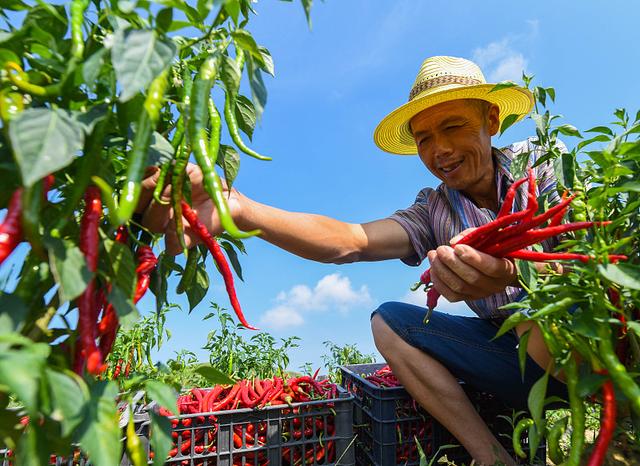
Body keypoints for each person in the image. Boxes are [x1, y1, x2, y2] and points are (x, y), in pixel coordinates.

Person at [137, 56, 568, 465]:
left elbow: (586, 267)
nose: (440, 150)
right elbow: (351, 241)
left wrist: (512, 275)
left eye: (453, 126)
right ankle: (491, 457)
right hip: (509, 363)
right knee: (389, 322)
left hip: (582, 356)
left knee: (536, 317)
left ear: (491, 121)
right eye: (424, 139)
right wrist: (240, 209)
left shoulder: (544, 161)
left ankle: (619, 415)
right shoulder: (434, 210)